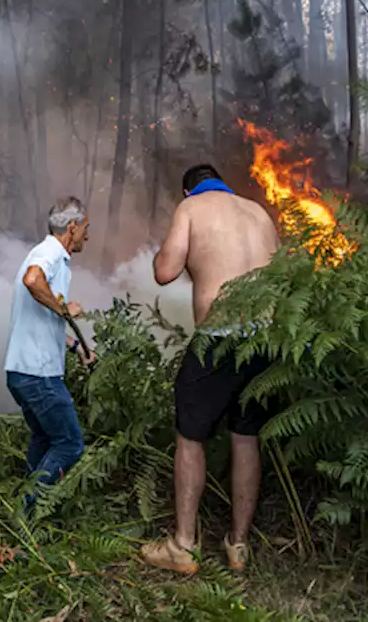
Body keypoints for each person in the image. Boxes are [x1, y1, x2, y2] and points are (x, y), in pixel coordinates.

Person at [140, 164, 281, 575]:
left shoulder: (192, 208)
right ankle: (239, 545)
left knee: (190, 436)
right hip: (266, 341)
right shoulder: (258, 212)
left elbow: (164, 271)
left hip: (220, 338)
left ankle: (183, 546)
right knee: (246, 437)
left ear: (189, 190)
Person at [3, 196, 98, 498]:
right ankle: (27, 514)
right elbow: (34, 281)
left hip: (21, 372)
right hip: (38, 375)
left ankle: (22, 518)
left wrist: (75, 347)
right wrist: (64, 309)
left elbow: (40, 320)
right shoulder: (50, 252)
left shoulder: (46, 254)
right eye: (85, 228)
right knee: (70, 444)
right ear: (72, 227)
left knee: (44, 440)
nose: (87, 235)